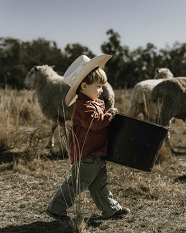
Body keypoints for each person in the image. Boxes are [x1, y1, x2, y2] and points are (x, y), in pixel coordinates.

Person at [46, 54, 130, 221]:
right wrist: (109, 115)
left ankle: (111, 209)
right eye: (98, 86)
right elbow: (95, 123)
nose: (101, 90)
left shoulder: (94, 103)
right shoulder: (83, 106)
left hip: (96, 153)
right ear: (84, 86)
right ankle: (56, 207)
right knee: (76, 184)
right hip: (87, 155)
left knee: (100, 185)